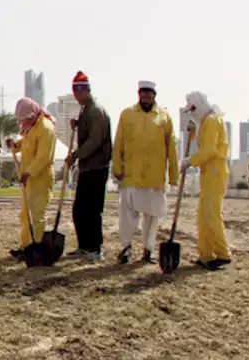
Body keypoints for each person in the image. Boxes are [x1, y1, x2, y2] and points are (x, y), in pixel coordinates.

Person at [112, 81, 178, 264]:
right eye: (143, 92)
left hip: (154, 177)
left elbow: (171, 148)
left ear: (154, 95)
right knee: (128, 216)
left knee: (152, 216)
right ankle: (126, 248)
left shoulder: (164, 117)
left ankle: (149, 250)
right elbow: (118, 143)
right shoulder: (127, 114)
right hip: (131, 175)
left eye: (150, 93)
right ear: (138, 93)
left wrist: (173, 175)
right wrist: (116, 167)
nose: (147, 96)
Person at [65, 71, 112, 261]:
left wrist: (75, 155)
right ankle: (84, 246)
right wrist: (78, 123)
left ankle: (95, 247)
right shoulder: (85, 110)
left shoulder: (95, 110)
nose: (75, 96)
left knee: (92, 210)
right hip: (87, 167)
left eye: (77, 92)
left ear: (85, 91)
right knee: (80, 209)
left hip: (97, 167)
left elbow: (95, 140)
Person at [182, 91, 231, 270]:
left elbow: (209, 150)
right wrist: (195, 132)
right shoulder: (207, 121)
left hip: (215, 172)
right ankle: (206, 254)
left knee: (211, 214)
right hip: (209, 173)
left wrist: (190, 161)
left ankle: (222, 253)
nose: (192, 113)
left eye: (193, 109)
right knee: (203, 215)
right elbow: (205, 143)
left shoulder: (211, 121)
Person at [8, 97, 57, 259]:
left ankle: (37, 248)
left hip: (41, 180)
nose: (24, 123)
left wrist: (29, 172)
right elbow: (25, 145)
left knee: (36, 215)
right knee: (25, 215)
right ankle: (26, 246)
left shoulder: (46, 128)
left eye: (26, 119)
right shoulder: (30, 128)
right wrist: (15, 146)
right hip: (28, 180)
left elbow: (44, 157)